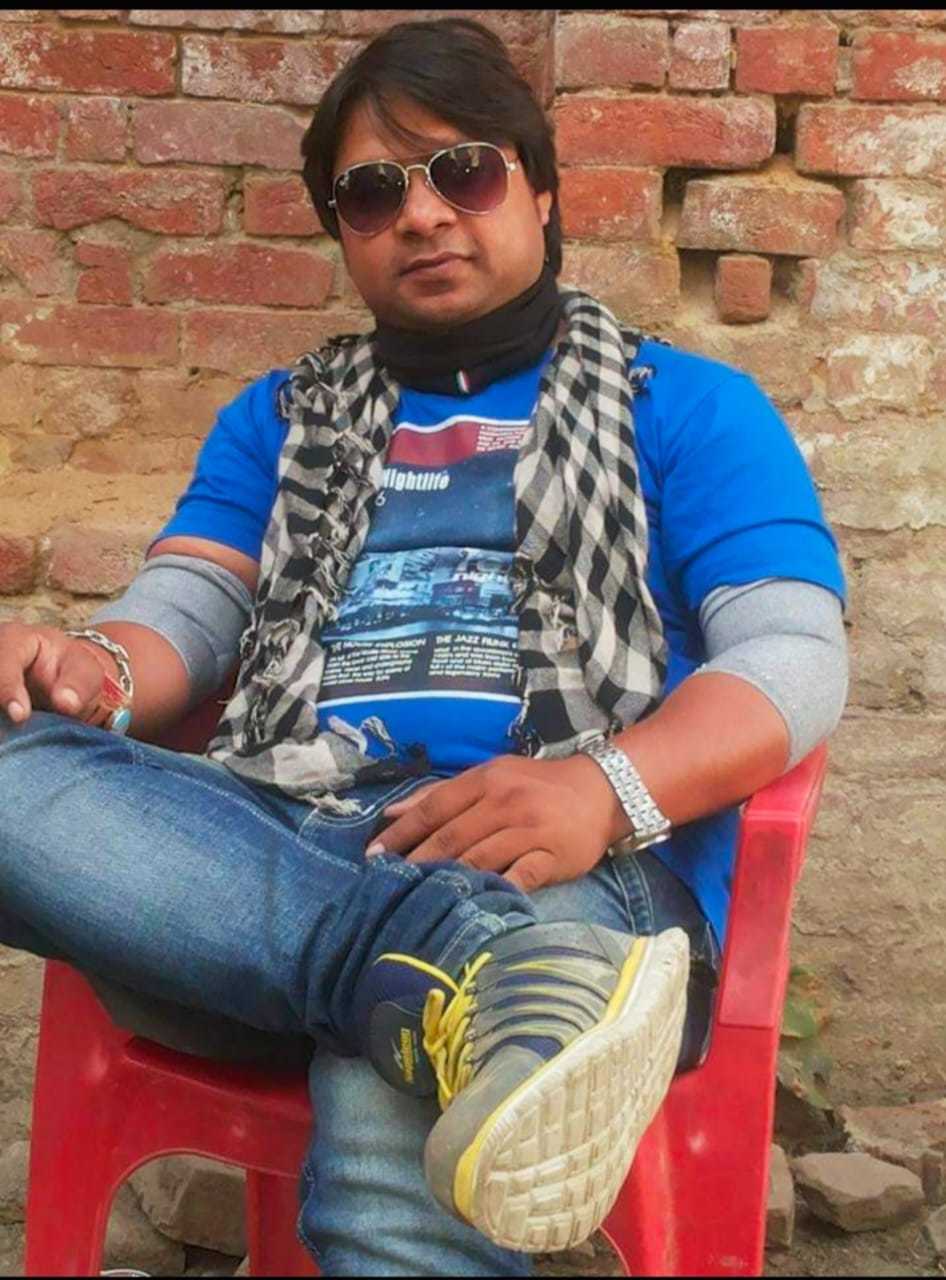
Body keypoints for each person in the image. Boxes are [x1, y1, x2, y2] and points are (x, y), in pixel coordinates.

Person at [0, 17, 848, 1277]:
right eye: (372, 191)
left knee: (401, 1086)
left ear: (540, 190)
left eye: (464, 171)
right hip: (279, 840)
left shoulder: (687, 407)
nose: (423, 214)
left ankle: (442, 975)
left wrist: (601, 788)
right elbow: (186, 608)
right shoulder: (280, 419)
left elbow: (791, 655)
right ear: (342, 229)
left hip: (565, 863)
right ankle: (451, 967)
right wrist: (92, 670)